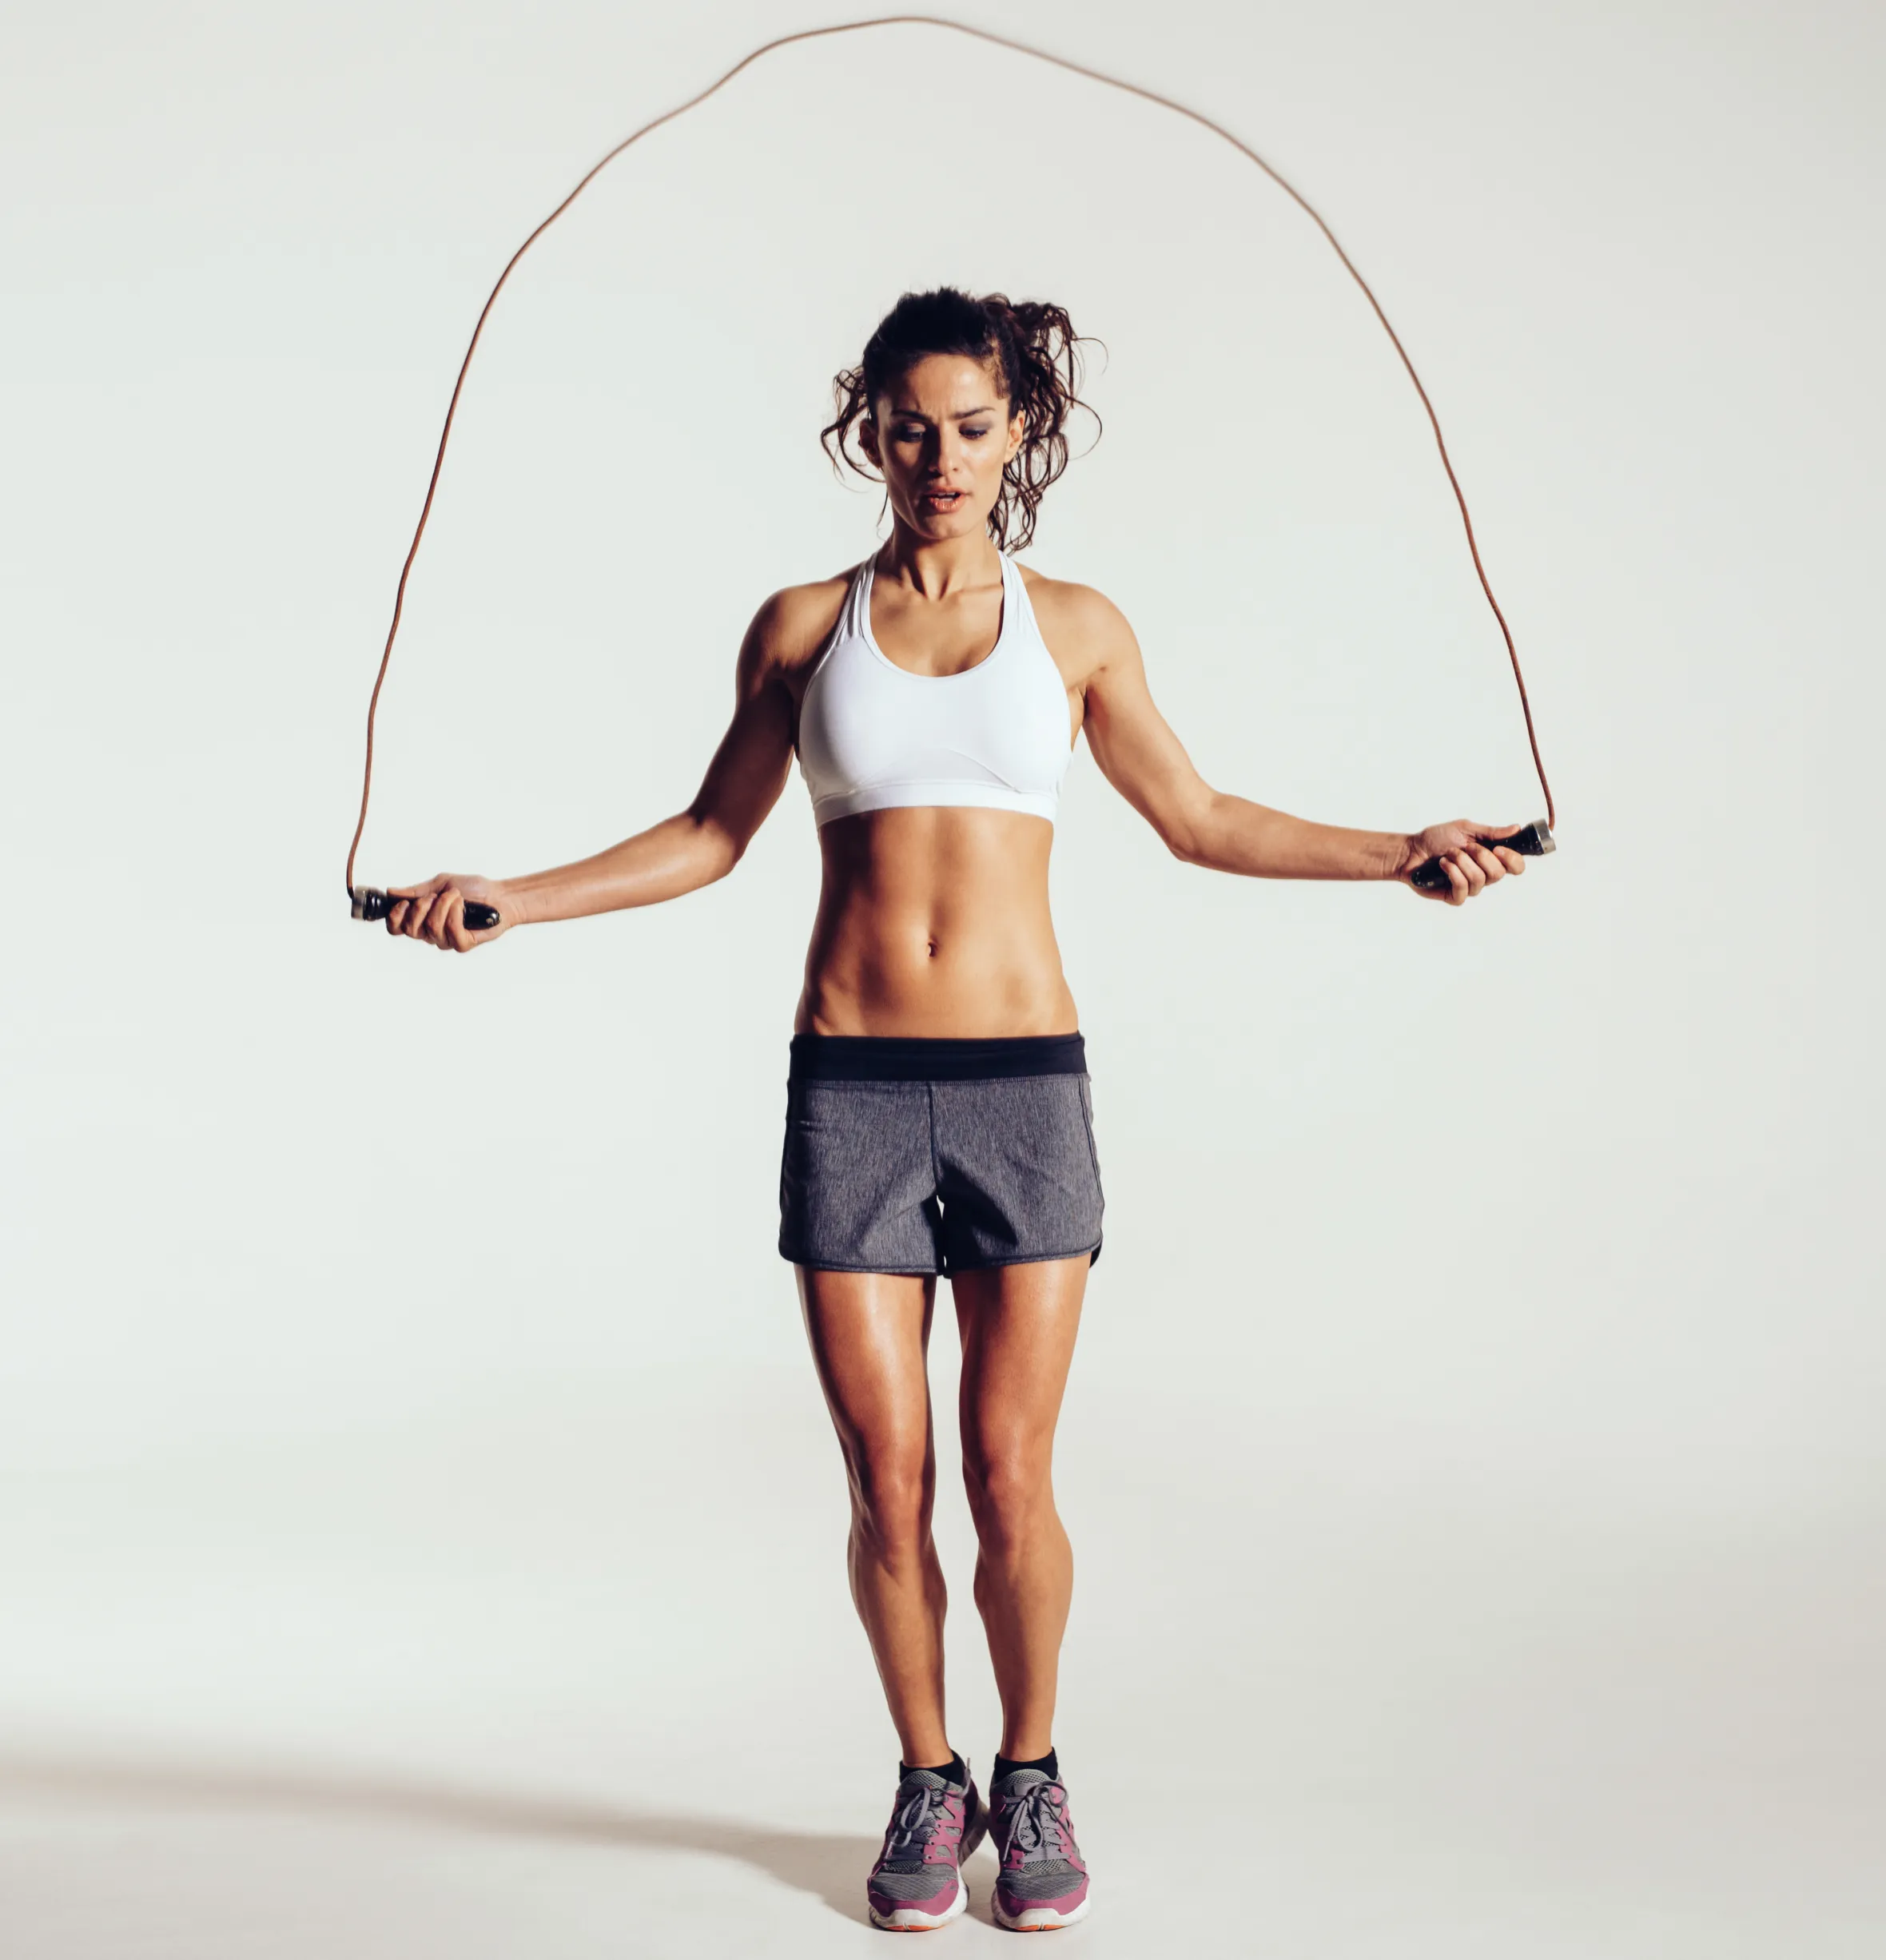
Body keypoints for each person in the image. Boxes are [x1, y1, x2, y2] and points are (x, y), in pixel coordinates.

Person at [384, 286, 1528, 1932]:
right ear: (870, 424)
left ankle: (1034, 1766)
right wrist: (515, 896)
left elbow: (1195, 816)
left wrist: (1394, 849)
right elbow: (711, 835)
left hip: (1019, 1086)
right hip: (851, 1080)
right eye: (910, 425)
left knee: (1007, 1466)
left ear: (1021, 431)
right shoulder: (798, 624)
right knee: (886, 1475)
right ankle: (929, 1774)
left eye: (974, 426)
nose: (940, 456)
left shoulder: (1075, 627)